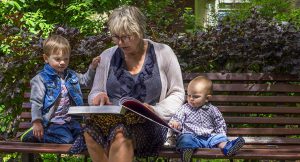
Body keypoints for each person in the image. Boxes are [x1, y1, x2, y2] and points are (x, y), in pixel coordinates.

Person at [82, 5, 185, 162]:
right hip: (111, 121)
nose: (121, 42)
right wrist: (98, 97)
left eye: (127, 37)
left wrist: (157, 109)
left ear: (140, 31)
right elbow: (94, 93)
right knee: (90, 131)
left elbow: (177, 93)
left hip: (150, 125)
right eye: (116, 37)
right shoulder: (107, 56)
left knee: (120, 134)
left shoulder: (164, 52)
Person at [21, 35, 100, 145]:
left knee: (85, 139)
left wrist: (92, 68)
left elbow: (86, 81)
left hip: (70, 121)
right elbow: (36, 102)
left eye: (66, 59)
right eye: (57, 59)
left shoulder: (71, 75)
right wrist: (37, 122)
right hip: (52, 123)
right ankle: (32, 136)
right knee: (66, 140)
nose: (62, 62)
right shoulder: (41, 79)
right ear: (46, 58)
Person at [169, 76, 245, 162]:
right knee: (185, 139)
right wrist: (176, 123)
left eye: (196, 96)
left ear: (207, 98)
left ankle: (228, 147)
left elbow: (219, 123)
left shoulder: (212, 110)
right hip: (192, 136)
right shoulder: (185, 108)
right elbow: (178, 118)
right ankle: (187, 153)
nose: (191, 99)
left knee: (219, 139)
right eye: (189, 95)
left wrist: (221, 135)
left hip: (209, 137)